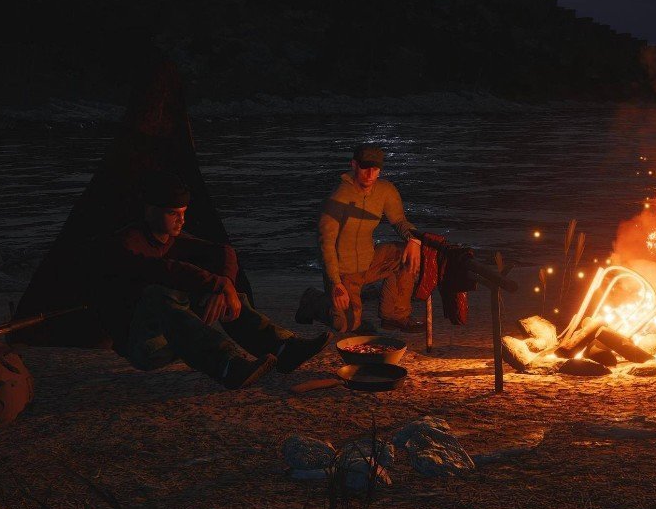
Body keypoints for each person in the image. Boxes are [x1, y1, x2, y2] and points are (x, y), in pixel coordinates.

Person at [98, 171, 331, 389]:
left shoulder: (173, 238)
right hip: (143, 346)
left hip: (178, 337)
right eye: (173, 213)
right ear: (150, 211)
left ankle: (283, 349)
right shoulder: (127, 244)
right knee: (160, 294)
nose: (181, 220)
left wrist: (224, 287)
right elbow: (163, 269)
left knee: (224, 296)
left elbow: (224, 252)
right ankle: (227, 365)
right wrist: (218, 284)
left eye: (183, 213)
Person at [296, 144, 425, 334]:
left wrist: (414, 240)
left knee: (405, 255)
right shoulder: (338, 198)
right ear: (354, 165)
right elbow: (326, 245)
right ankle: (312, 300)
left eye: (375, 169)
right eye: (365, 168)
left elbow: (399, 221)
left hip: (370, 260)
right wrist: (335, 283)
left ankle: (394, 315)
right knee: (346, 324)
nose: (370, 174)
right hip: (344, 272)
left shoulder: (385, 191)